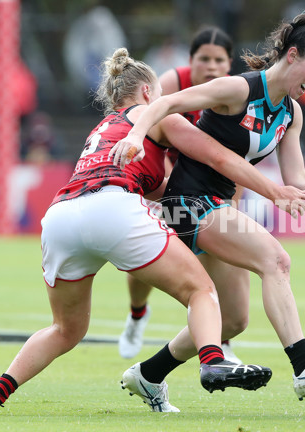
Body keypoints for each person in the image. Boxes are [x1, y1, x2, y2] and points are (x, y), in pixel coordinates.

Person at [0, 48, 305, 415]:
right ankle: (213, 360)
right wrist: (274, 192)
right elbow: (217, 156)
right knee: (201, 290)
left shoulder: (102, 129)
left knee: (66, 329)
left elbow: (161, 189)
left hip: (62, 218)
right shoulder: (151, 113)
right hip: (113, 208)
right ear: (147, 92)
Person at [109, 11, 305, 409]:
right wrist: (137, 134)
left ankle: (148, 375)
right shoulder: (238, 89)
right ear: (292, 56)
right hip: (186, 202)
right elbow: (167, 103)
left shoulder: (292, 113)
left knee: (232, 321)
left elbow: (298, 178)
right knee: (275, 259)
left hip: (217, 205)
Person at [118, 26, 242, 363]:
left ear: (229, 63)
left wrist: (231, 206)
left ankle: (221, 338)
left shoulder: (236, 93)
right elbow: (143, 133)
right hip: (160, 177)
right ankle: (137, 314)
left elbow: (239, 158)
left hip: (210, 184)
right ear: (191, 61)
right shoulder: (170, 86)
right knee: (143, 260)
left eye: (219, 60)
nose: (212, 67)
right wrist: (174, 192)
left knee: (218, 254)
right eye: (204, 59)